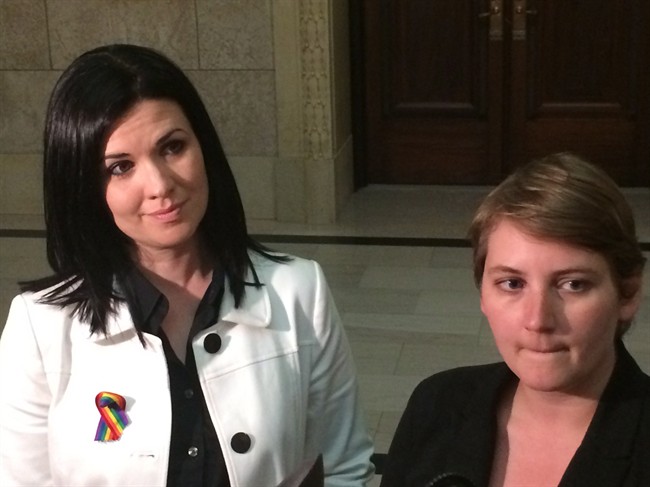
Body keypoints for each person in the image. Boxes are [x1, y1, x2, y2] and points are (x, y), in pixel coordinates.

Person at [0, 44, 374, 487]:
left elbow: (345, 469)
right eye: (120, 167)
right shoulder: (40, 325)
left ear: (204, 147)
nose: (160, 185)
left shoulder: (298, 291)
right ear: (84, 187)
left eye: (172, 147)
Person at [380, 153, 649, 487]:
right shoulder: (437, 404)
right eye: (512, 284)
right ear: (483, 294)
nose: (537, 320)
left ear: (627, 294)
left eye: (573, 284)